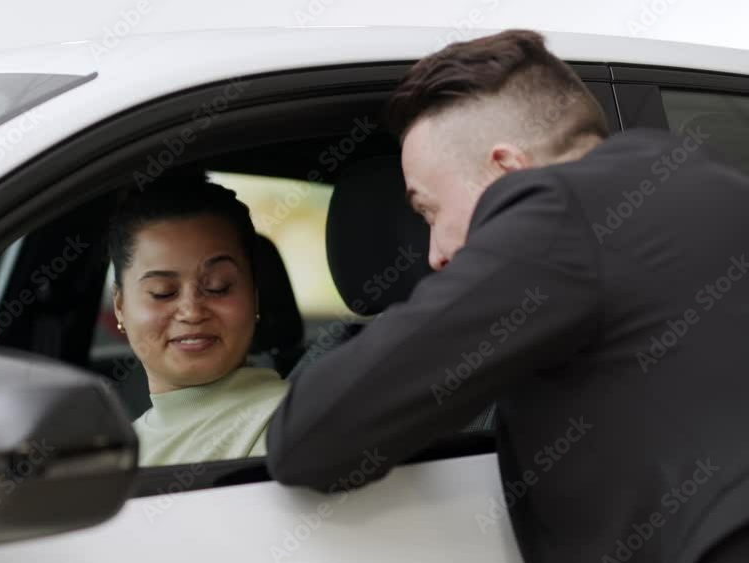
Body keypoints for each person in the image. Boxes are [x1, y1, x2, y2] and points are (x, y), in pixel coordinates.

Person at [266, 29, 749, 563]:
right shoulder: (707, 180)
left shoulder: (557, 214)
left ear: (505, 171)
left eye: (428, 211)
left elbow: (310, 437)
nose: (434, 254)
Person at [108, 172, 289, 466]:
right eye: (163, 292)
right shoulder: (121, 450)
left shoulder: (291, 426)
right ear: (120, 306)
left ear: (254, 297)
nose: (191, 312)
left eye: (218, 287)